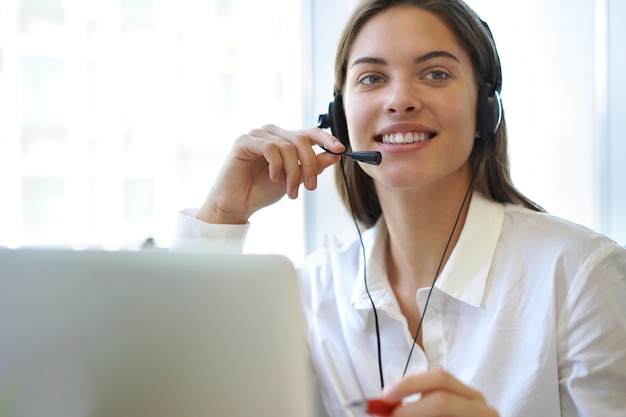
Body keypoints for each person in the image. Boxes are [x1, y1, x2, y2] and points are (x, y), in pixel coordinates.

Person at [171, 0, 626, 416]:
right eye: (372, 78)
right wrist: (225, 212)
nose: (399, 99)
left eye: (435, 74)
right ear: (340, 116)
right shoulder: (316, 293)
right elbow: (181, 393)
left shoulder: (579, 274)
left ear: (486, 108)